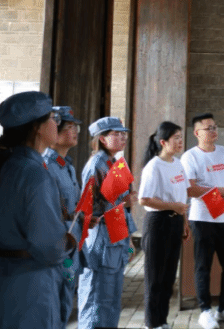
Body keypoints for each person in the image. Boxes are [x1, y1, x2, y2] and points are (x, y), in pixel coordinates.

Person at [0, 91, 75, 328]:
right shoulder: (35, 174)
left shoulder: (3, 167)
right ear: (37, 127)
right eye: (53, 119)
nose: (56, 125)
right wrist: (69, 240)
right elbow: (49, 246)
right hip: (29, 286)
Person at [181, 113, 224, 329]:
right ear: (196, 133)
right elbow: (190, 189)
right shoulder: (190, 157)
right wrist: (221, 191)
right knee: (203, 265)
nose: (213, 131)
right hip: (203, 219)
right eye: (208, 128)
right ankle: (205, 311)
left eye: (215, 127)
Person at [78, 116, 137, 329]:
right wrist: (119, 201)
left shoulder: (114, 162)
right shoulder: (96, 164)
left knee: (111, 298)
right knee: (96, 296)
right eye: (116, 134)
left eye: (124, 134)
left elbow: (118, 204)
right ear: (102, 139)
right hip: (101, 236)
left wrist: (128, 239)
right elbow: (87, 205)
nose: (123, 137)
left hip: (115, 234)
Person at [138, 122, 190, 329]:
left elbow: (182, 196)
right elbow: (144, 199)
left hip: (175, 221)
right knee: (155, 277)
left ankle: (162, 320)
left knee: (168, 277)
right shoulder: (154, 166)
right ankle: (152, 323)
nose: (180, 141)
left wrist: (184, 222)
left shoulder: (178, 164)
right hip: (158, 223)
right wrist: (173, 207)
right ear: (163, 142)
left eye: (180, 137)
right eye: (175, 138)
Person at [43, 106, 83, 328]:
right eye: (69, 127)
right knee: (55, 299)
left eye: (75, 127)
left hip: (70, 241)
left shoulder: (66, 165)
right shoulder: (47, 165)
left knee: (66, 294)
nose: (74, 132)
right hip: (57, 243)